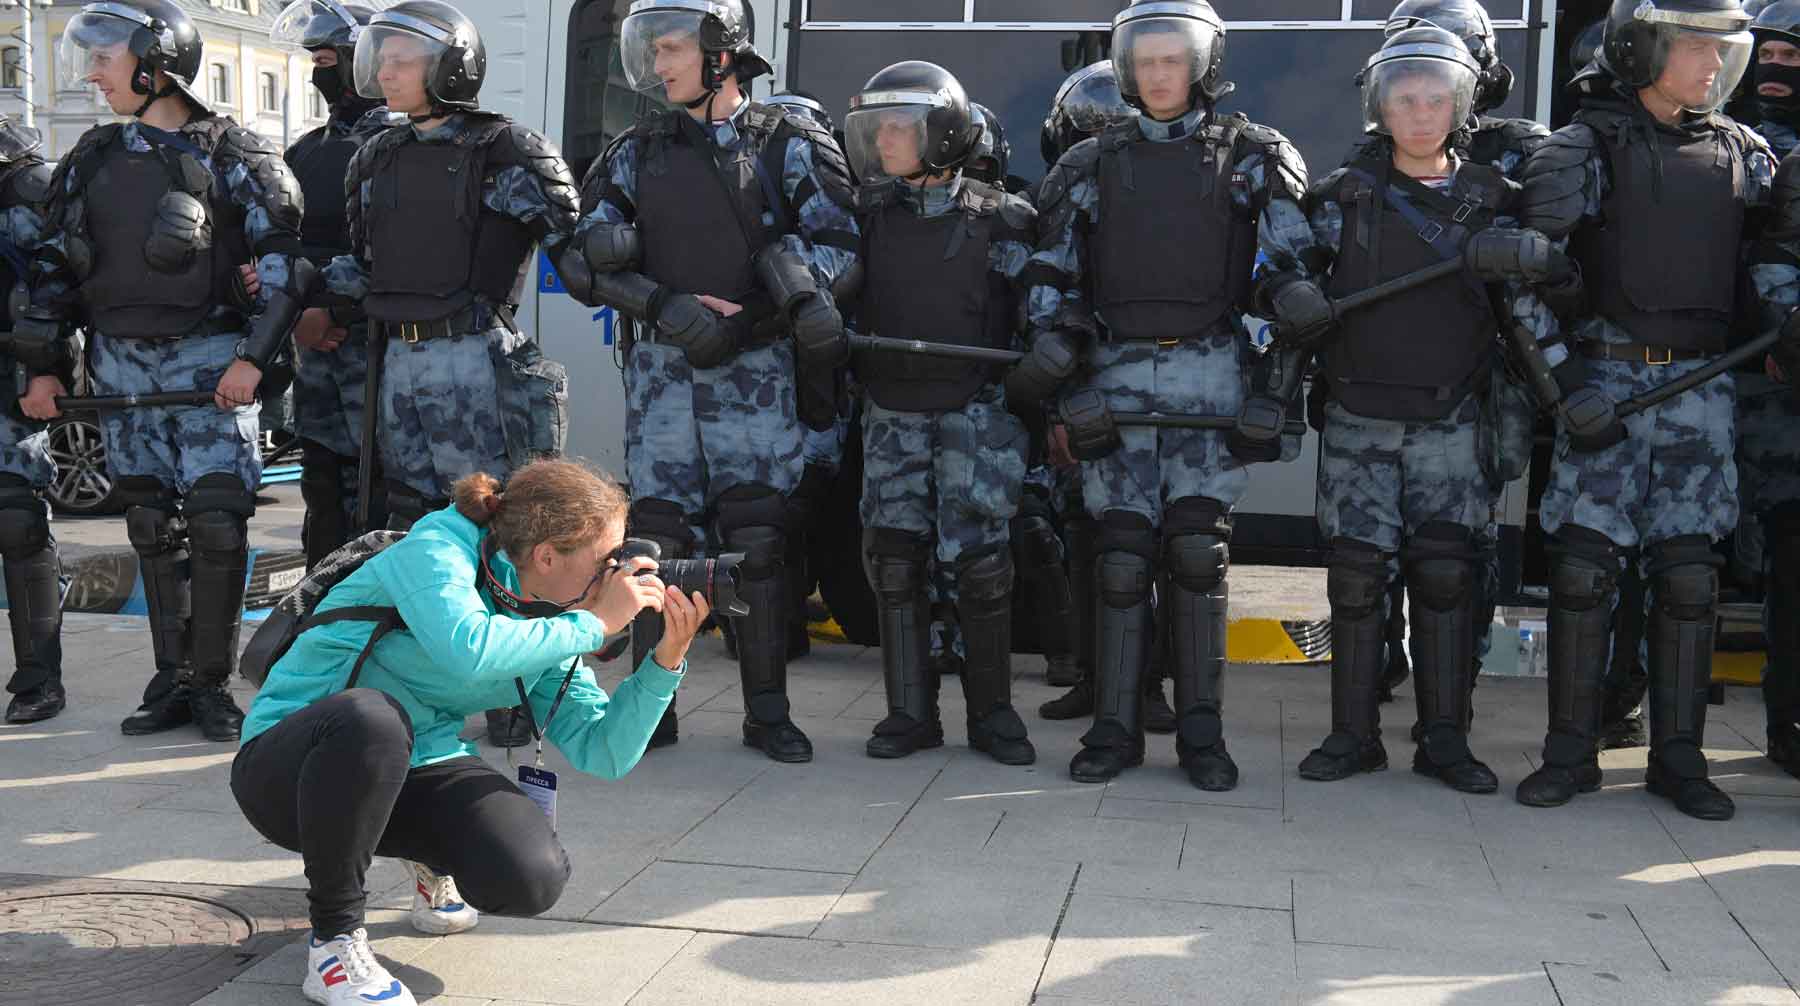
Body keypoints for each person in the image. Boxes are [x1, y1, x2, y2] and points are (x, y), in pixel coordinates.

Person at [233, 459, 706, 1006]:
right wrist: (596, 623)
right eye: (607, 559)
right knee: (372, 718)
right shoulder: (437, 549)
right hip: (290, 770)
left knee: (529, 877)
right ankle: (334, 943)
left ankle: (429, 861)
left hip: (410, 765)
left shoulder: (552, 612)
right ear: (548, 555)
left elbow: (606, 752)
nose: (619, 573)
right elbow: (468, 648)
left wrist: (666, 661)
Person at [1020, 0, 1317, 788]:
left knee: (1196, 554)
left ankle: (1202, 740)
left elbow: (1293, 273)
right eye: (1144, 61)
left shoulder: (1254, 156)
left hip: (1210, 374)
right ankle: (1113, 734)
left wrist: (1278, 387)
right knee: (1118, 557)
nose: (1157, 75)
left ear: (1202, 65)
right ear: (1125, 69)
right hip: (1115, 375)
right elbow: (1050, 279)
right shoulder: (1086, 164)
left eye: (1171, 60)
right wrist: (1065, 383)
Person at [564, 0, 859, 763]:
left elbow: (841, 247)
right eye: (653, 50)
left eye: (672, 49)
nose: (659, 66)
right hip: (664, 371)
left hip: (756, 372)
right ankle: (648, 713)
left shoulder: (788, 141)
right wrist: (665, 305)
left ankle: (767, 713)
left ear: (721, 53)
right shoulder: (636, 148)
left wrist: (758, 314)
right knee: (654, 542)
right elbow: (583, 257)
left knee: (758, 536)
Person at [1511, 0, 1774, 821]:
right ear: (1642, 49)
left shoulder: (1748, 157)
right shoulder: (1579, 151)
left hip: (1701, 393)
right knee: (1585, 576)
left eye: (1722, 52)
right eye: (1694, 49)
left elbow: (1771, 266)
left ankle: (1681, 760)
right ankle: (1569, 752)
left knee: (1690, 581)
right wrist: (1565, 387)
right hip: (1608, 387)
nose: (1711, 67)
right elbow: (1522, 288)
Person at [18, 0, 308, 743]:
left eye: (104, 59)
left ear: (156, 65)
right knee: (150, 523)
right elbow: (53, 269)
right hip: (121, 369)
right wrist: (46, 368)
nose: (91, 74)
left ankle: (212, 683)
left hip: (209, 368)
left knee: (216, 521)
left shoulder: (234, 152)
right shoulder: (91, 157)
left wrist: (252, 360)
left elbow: (283, 267)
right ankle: (170, 679)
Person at [1289, 26, 1559, 792]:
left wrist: (1543, 264)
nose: (1420, 113)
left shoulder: (1498, 201)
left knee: (1446, 576)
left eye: (1437, 98)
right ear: (1380, 105)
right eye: (1405, 99)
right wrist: (1285, 293)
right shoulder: (1336, 200)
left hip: (1452, 422)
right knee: (1355, 579)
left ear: (1462, 104)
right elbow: (1278, 279)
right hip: (1358, 420)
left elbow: (1551, 303)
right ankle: (1352, 736)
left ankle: (1445, 740)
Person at [320, 0, 580, 749]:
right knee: (414, 525)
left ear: (451, 66)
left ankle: (516, 685)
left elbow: (584, 249)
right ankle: (420, 677)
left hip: (476, 358)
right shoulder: (374, 152)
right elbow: (364, 260)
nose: (386, 70)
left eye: (404, 58)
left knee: (502, 528)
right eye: (383, 56)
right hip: (398, 362)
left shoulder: (508, 150)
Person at [840, 62, 1036, 765]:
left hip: (974, 416)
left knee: (980, 568)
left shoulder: (1006, 218)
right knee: (895, 562)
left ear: (945, 134)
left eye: (901, 127)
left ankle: (993, 717)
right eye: (879, 127)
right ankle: (908, 715)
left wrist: (1045, 371)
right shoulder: (861, 217)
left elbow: (1042, 311)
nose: (884, 141)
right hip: (892, 411)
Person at [1028, 60, 1140, 724]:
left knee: (1147, 547)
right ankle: (1093, 679)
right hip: (1082, 383)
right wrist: (1055, 406)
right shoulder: (1065, 191)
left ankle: (1149, 687)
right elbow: (1048, 300)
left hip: (1151, 384)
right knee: (1083, 539)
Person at [271, 0, 390, 569]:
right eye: (314, 60)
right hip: (317, 362)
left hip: (380, 356)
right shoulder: (307, 150)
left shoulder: (399, 142)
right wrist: (299, 316)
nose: (320, 73)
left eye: (329, 59)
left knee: (384, 499)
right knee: (323, 492)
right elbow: (282, 243)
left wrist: (333, 313)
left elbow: (400, 250)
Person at [1737, 0, 1800, 779]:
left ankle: (1786, 720)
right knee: (1673, 557)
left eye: (1794, 59)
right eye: (1767, 56)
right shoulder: (1723, 143)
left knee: (1790, 551)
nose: (1777, 71)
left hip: (1785, 396)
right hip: (1708, 374)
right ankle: (1625, 709)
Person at [0, 117, 59, 725]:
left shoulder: (21, 182)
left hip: (7, 374)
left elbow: (53, 285)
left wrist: (47, 367)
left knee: (16, 519)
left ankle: (39, 677)